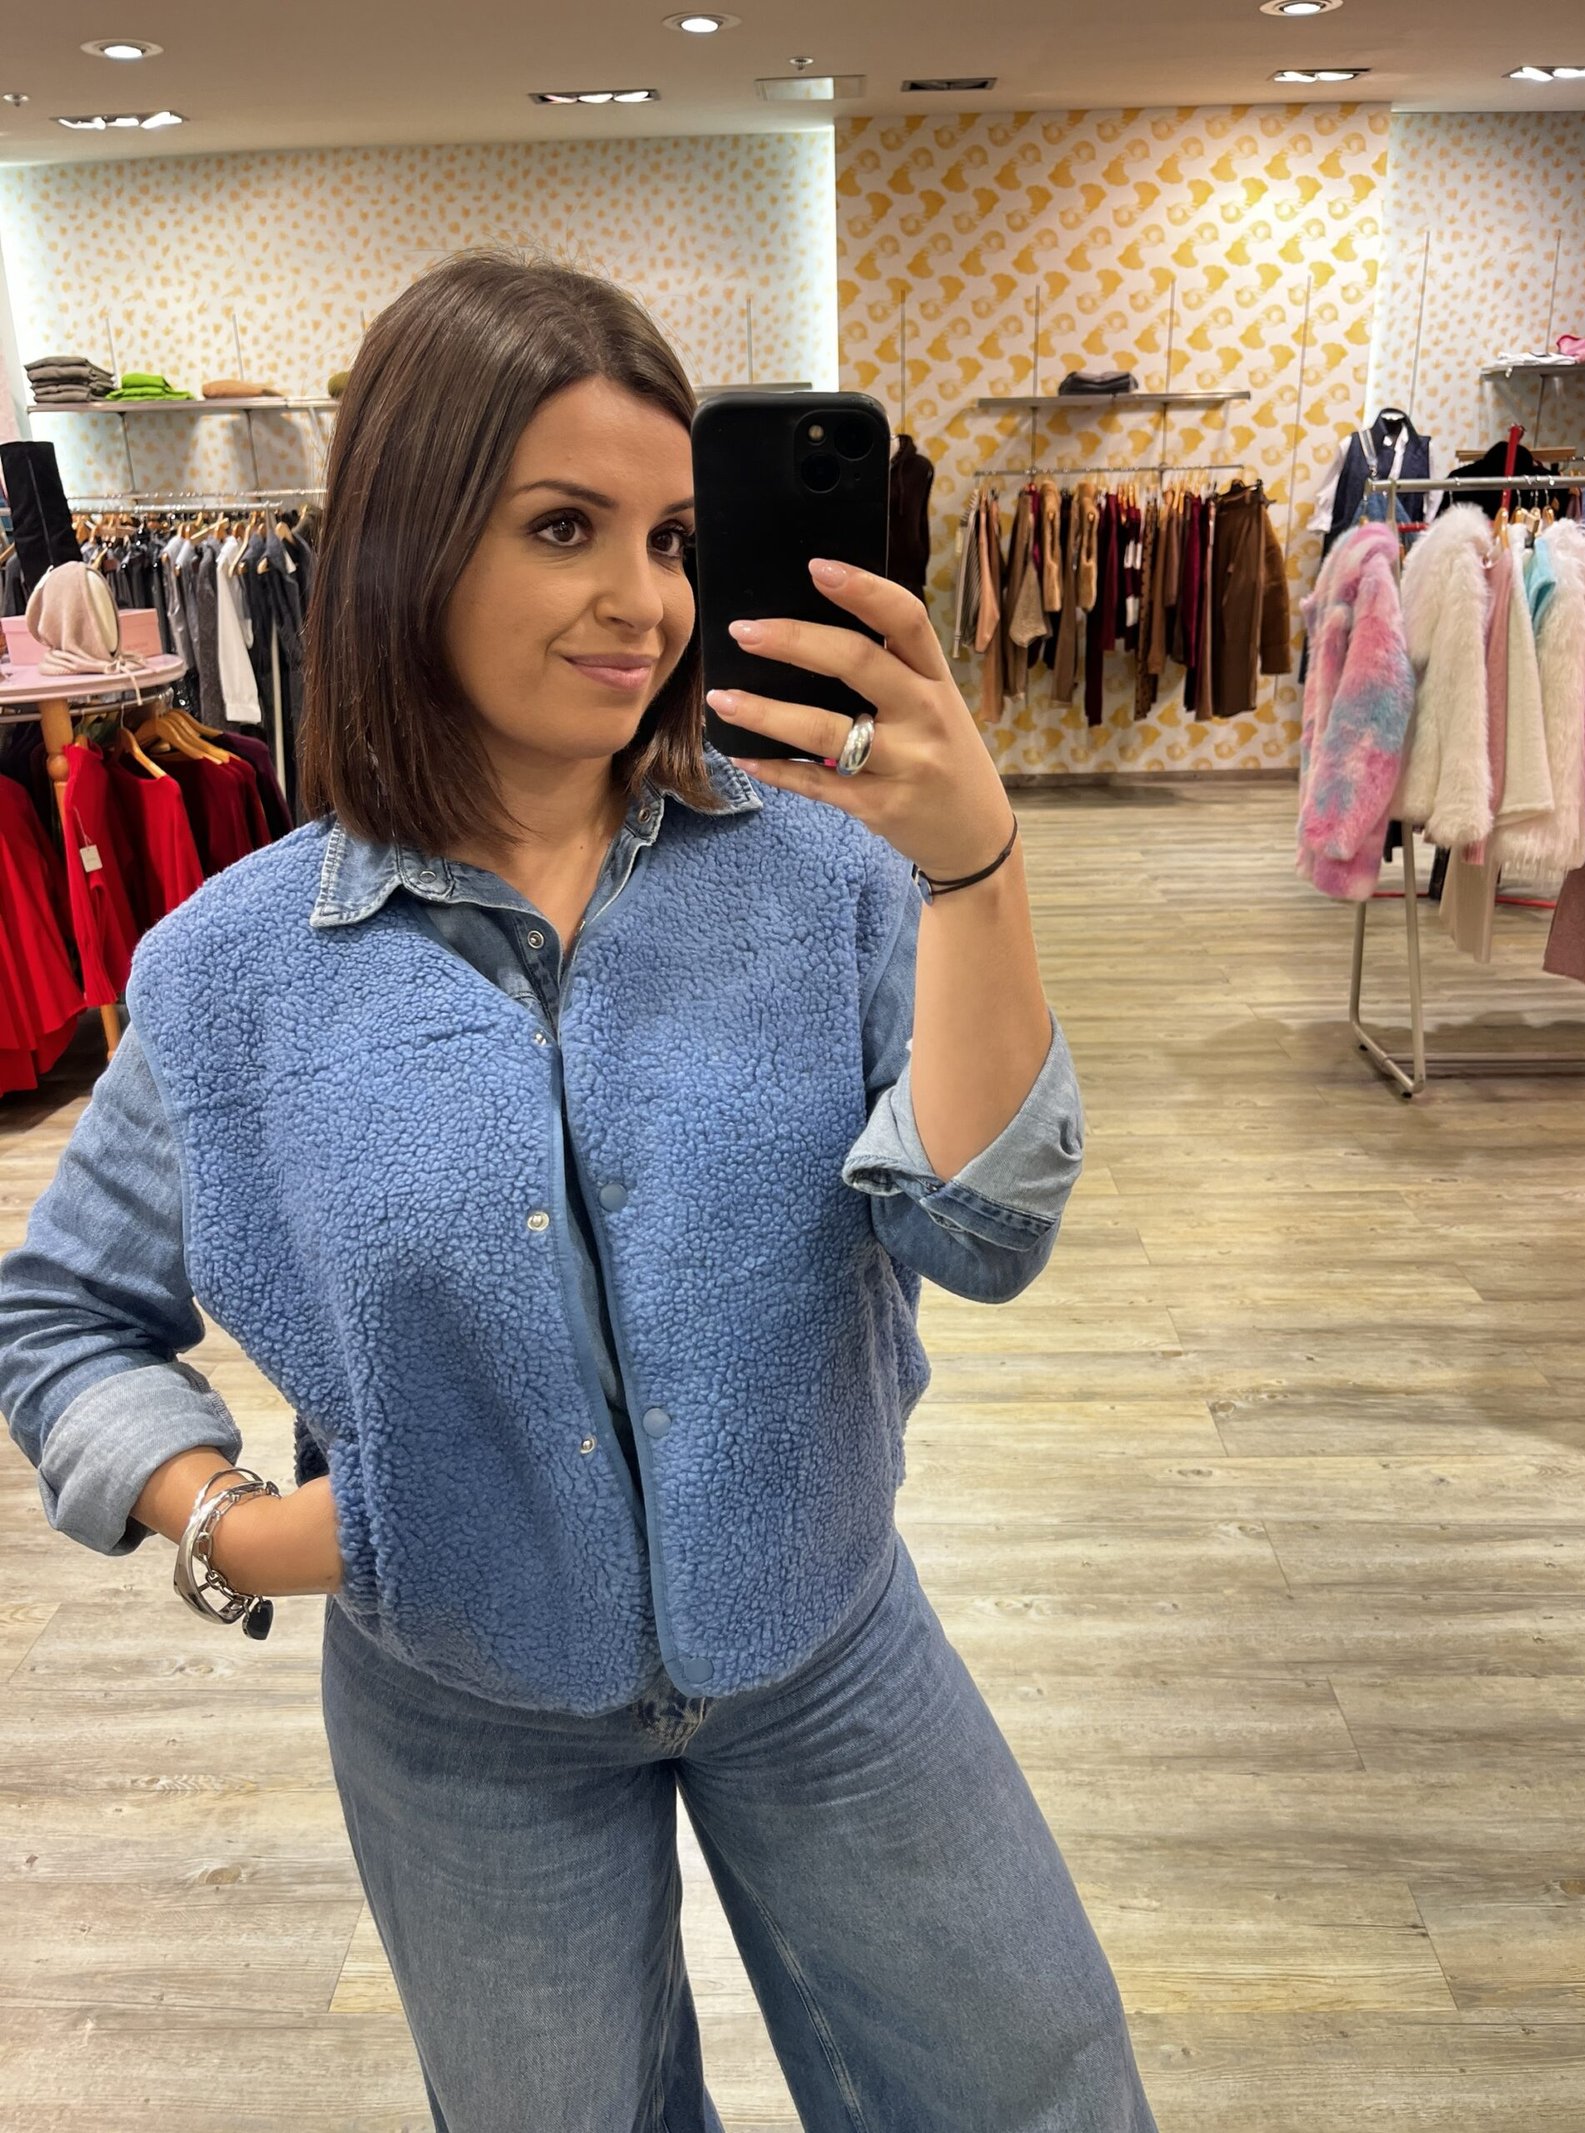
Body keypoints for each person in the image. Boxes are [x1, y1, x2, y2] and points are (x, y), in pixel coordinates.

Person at [0, 250, 1158, 2133]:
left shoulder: (828, 875)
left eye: (673, 537)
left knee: (1036, 2092)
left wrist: (975, 868)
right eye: (566, 528)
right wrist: (228, 1526)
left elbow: (981, 1232)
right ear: (410, 544)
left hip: (827, 1651)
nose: (647, 602)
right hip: (465, 1719)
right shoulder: (233, 970)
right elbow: (60, 1316)